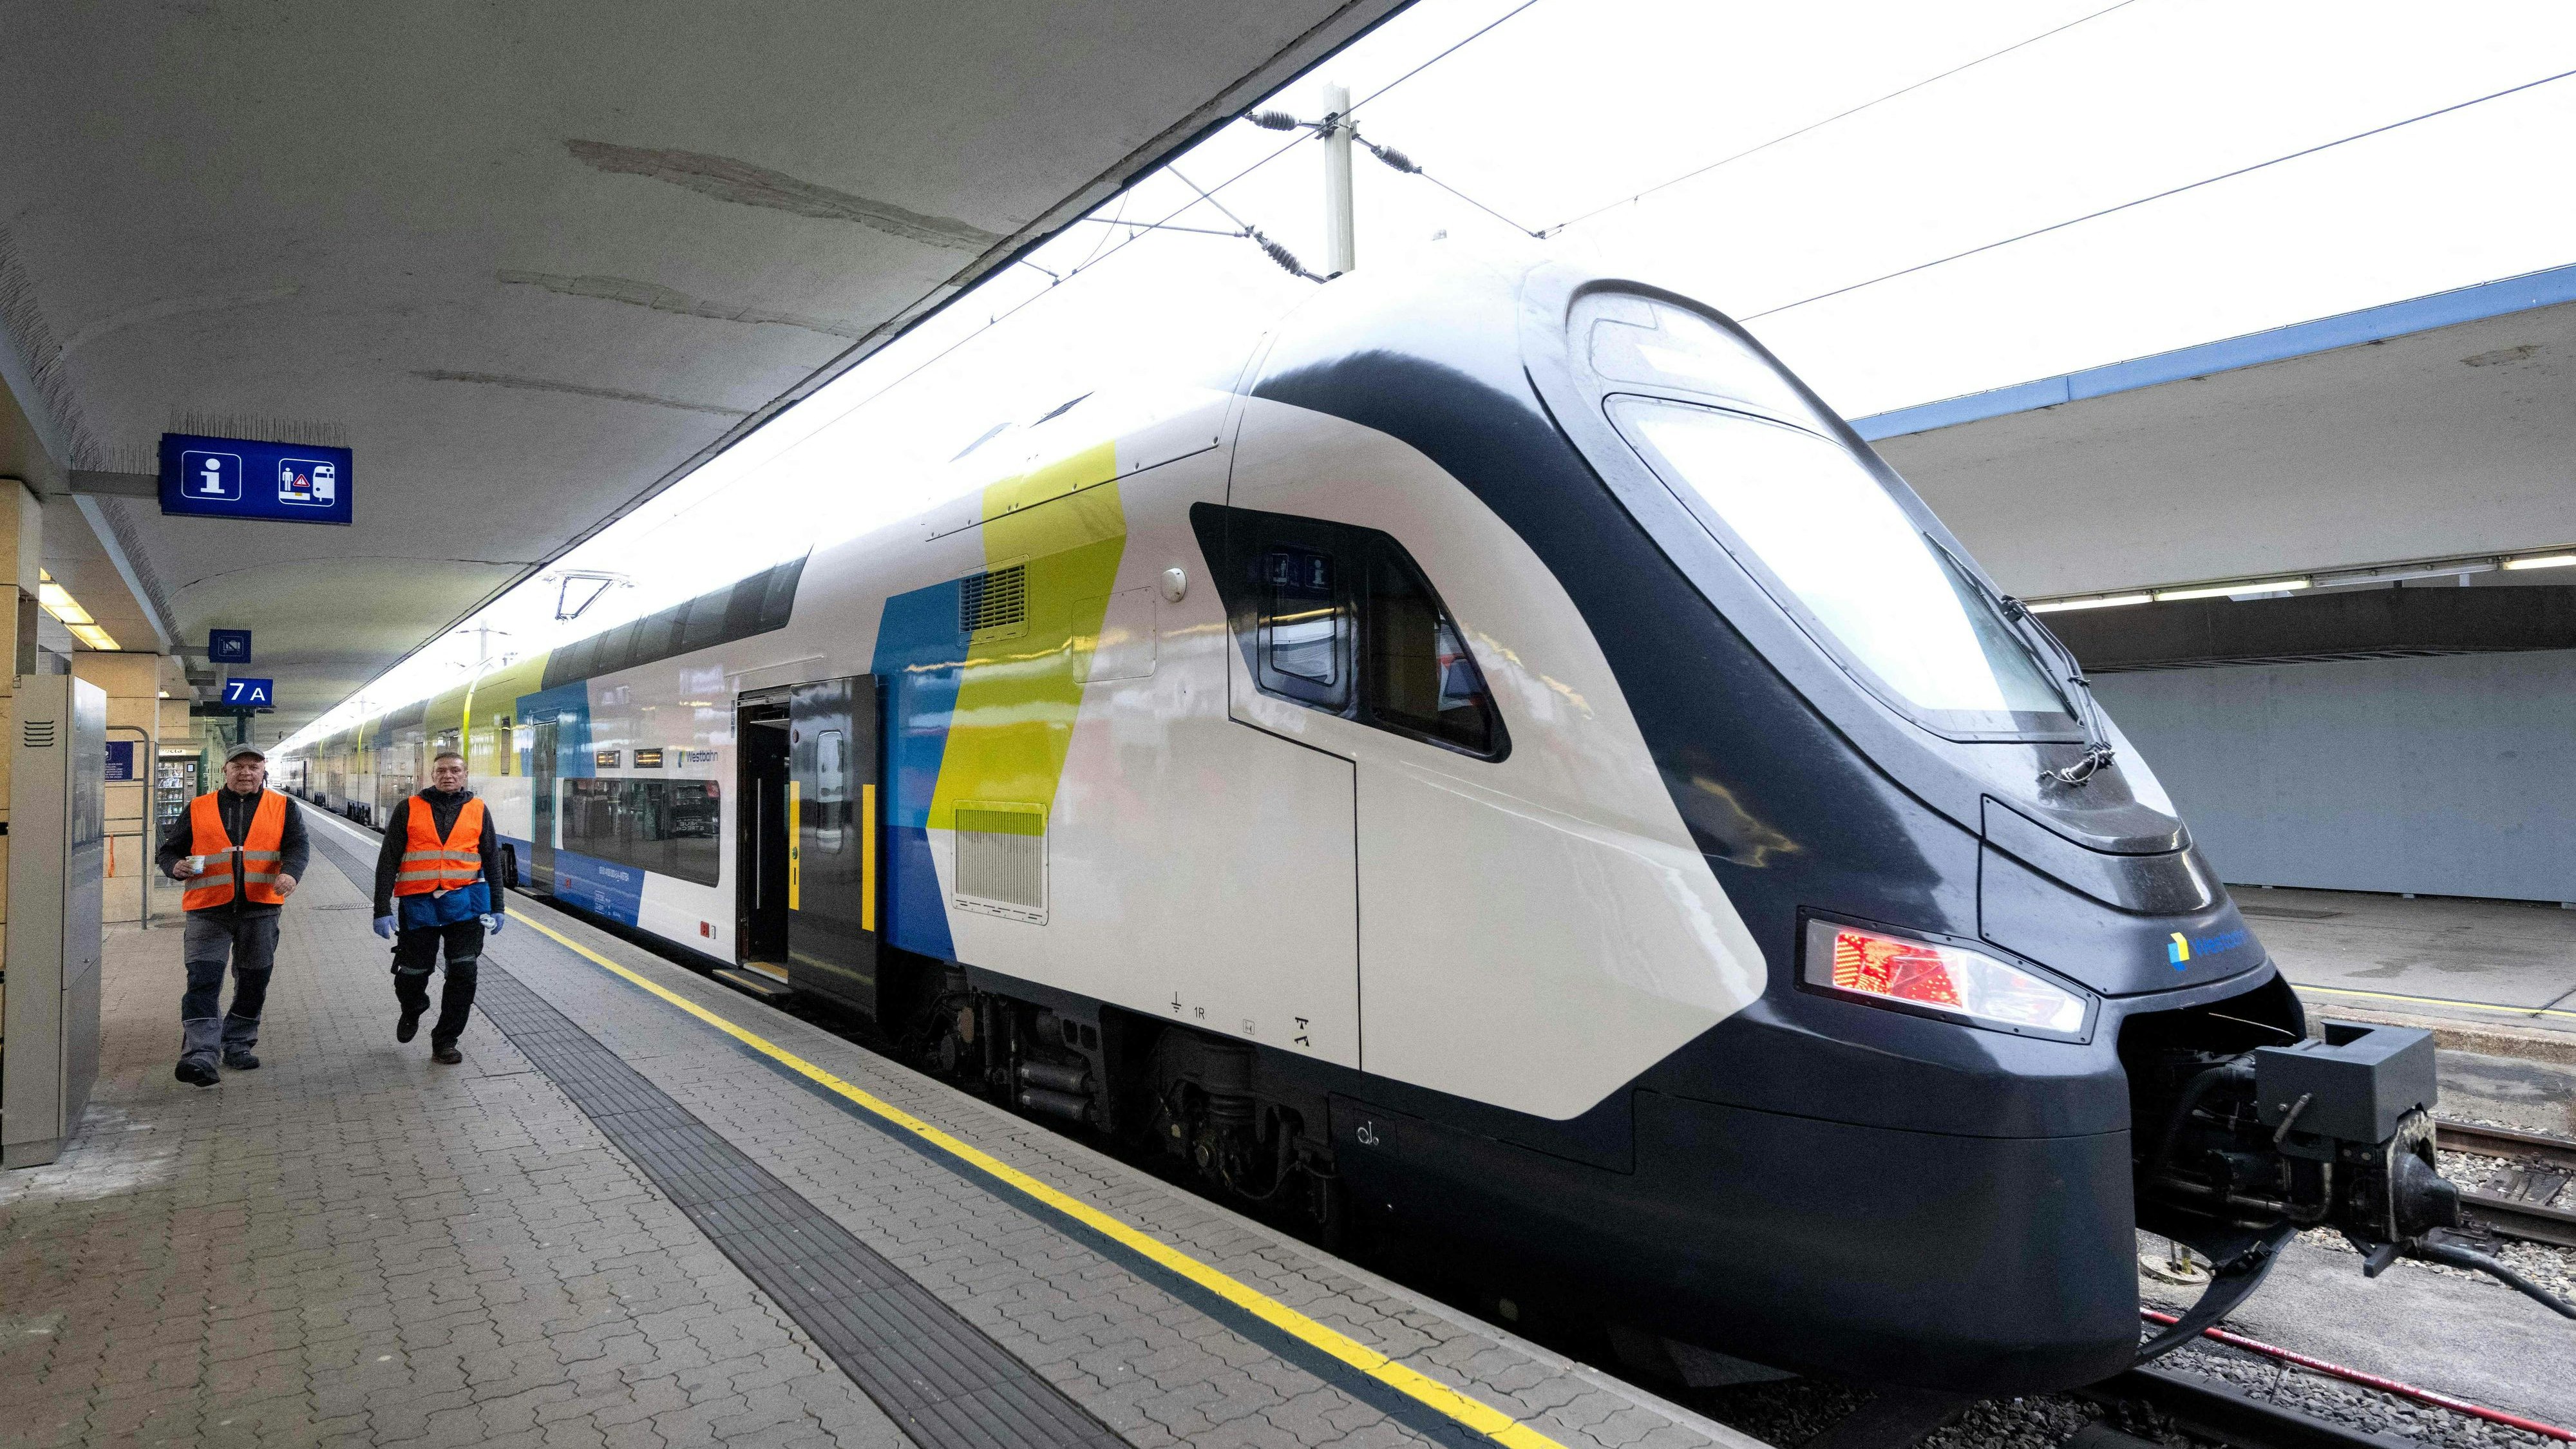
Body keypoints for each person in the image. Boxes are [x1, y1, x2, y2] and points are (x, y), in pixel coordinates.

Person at [157, 741, 308, 1086]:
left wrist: (291, 873)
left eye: (253, 767)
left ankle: (238, 1043)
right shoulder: (198, 807)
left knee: (254, 981)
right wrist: (174, 866)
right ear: (225, 770)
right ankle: (200, 1054)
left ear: (263, 771)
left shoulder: (284, 807)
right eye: (238, 766)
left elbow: (298, 847)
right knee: (203, 980)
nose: (246, 772)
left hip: (261, 909)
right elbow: (169, 851)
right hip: (208, 908)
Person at [374, 750, 505, 1064]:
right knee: (412, 974)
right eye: (442, 770)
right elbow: (388, 860)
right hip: (419, 904)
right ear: (431, 776)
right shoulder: (409, 808)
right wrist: (382, 908)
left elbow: (491, 859)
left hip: (466, 905)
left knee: (464, 973)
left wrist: (499, 907)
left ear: (465, 775)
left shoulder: (478, 809)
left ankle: (445, 1040)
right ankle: (414, 1006)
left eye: (455, 770)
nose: (449, 775)